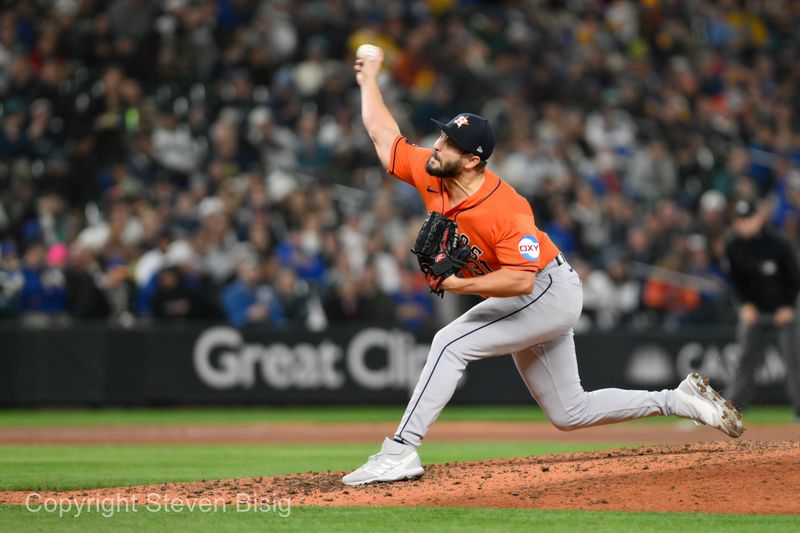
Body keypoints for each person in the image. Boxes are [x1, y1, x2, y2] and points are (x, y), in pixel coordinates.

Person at [342, 46, 744, 486]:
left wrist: (455, 284)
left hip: (545, 291)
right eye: (441, 136)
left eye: (448, 143)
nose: (437, 145)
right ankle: (676, 399)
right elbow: (384, 136)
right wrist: (369, 79)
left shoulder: (505, 208)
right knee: (569, 411)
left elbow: (520, 279)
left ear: (473, 160)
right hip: (530, 293)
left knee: (449, 343)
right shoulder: (433, 171)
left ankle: (400, 451)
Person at [724, 199, 800, 421]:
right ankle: (732, 409)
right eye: (739, 220)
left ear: (759, 218)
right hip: (754, 312)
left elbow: (795, 278)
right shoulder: (733, 245)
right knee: (745, 359)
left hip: (784, 312)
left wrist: (787, 306)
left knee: (794, 358)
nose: (743, 225)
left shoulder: (779, 243)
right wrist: (745, 303)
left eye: (747, 219)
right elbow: (735, 280)